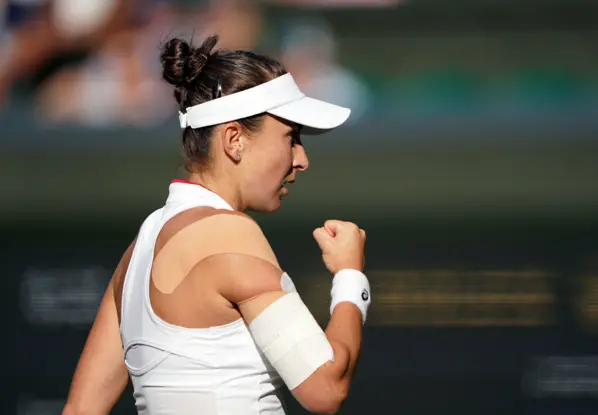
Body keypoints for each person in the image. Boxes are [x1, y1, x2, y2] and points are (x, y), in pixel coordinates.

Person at [62, 34, 371, 415]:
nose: (302, 159)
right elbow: (327, 386)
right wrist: (350, 277)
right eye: (291, 138)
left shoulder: (141, 246)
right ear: (234, 140)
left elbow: (80, 410)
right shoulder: (230, 234)